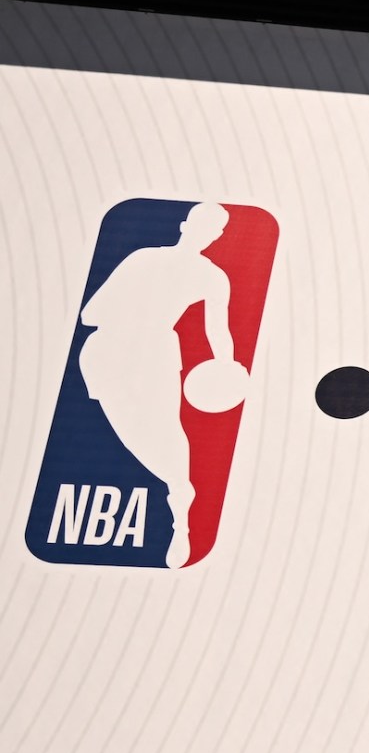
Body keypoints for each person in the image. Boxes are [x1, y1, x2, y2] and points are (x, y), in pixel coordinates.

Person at [76, 202, 236, 569]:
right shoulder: (153, 261)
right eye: (208, 225)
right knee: (144, 431)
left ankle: (180, 496)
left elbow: (92, 314)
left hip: (141, 350)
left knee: (158, 428)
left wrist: (227, 369)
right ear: (190, 226)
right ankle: (179, 490)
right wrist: (225, 366)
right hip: (118, 352)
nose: (209, 233)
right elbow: (89, 314)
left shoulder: (190, 271)